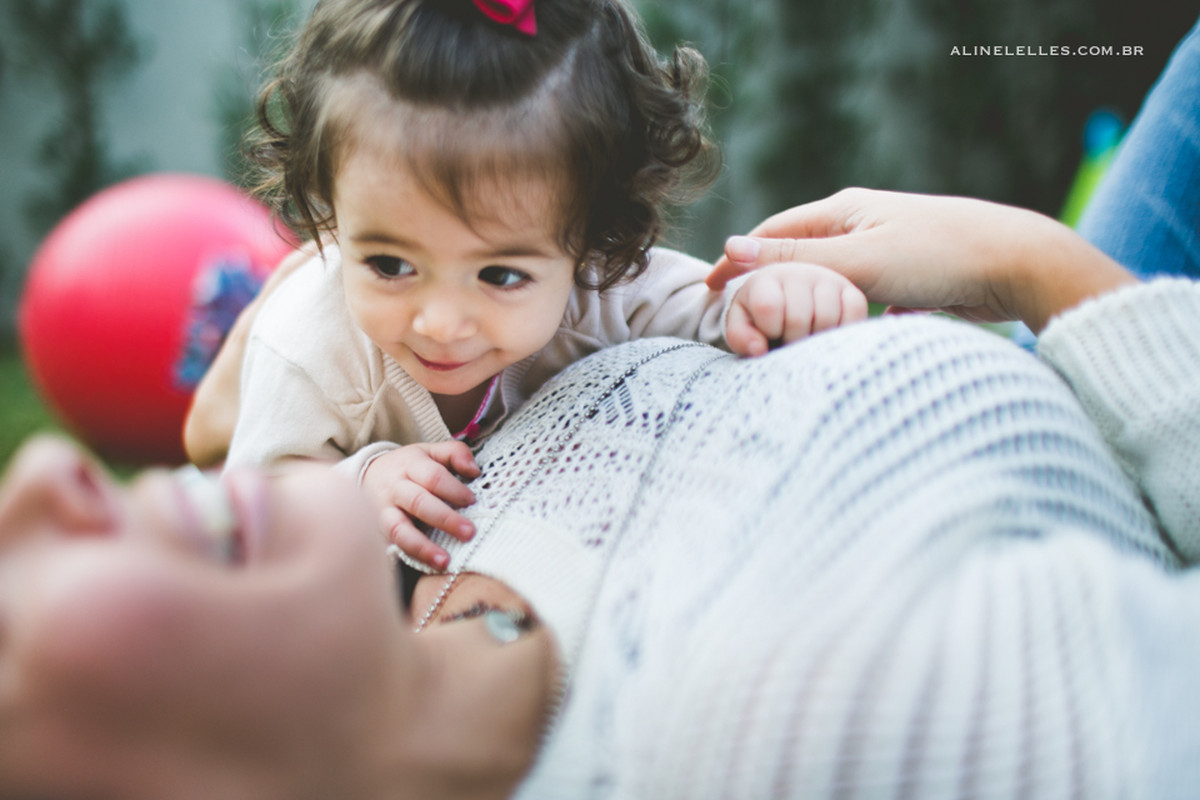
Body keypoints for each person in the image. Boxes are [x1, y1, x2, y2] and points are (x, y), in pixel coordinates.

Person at [4, 188, 1200, 798]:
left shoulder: (413, 542)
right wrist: (1038, 264)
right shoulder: (825, 724)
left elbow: (233, 414)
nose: (45, 472)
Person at [211, 0, 867, 570]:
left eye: (499, 274)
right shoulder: (309, 348)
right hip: (271, 402)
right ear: (329, 209)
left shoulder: (605, 290)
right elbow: (254, 501)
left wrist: (772, 300)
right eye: (389, 263)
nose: (440, 321)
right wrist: (358, 482)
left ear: (589, 240)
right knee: (211, 441)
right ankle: (222, 384)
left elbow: (713, 309)